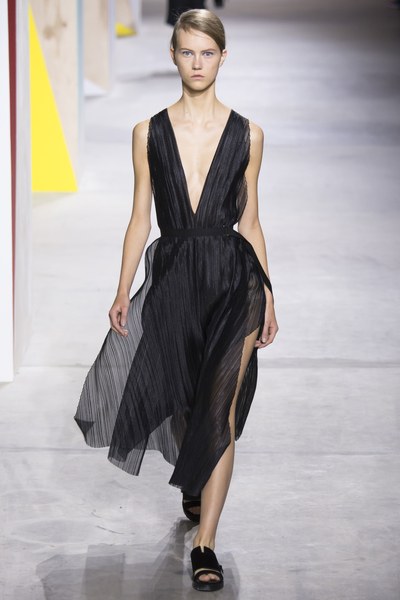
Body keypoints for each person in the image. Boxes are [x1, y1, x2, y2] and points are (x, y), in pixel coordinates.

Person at [74, 8, 278, 592]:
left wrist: (268, 294)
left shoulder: (248, 135)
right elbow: (140, 217)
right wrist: (122, 288)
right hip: (173, 281)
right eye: (187, 52)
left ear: (222, 57)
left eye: (207, 53)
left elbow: (251, 222)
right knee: (187, 401)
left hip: (234, 282)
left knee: (220, 409)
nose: (197, 63)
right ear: (173, 55)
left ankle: (205, 543)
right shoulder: (148, 133)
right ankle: (194, 476)